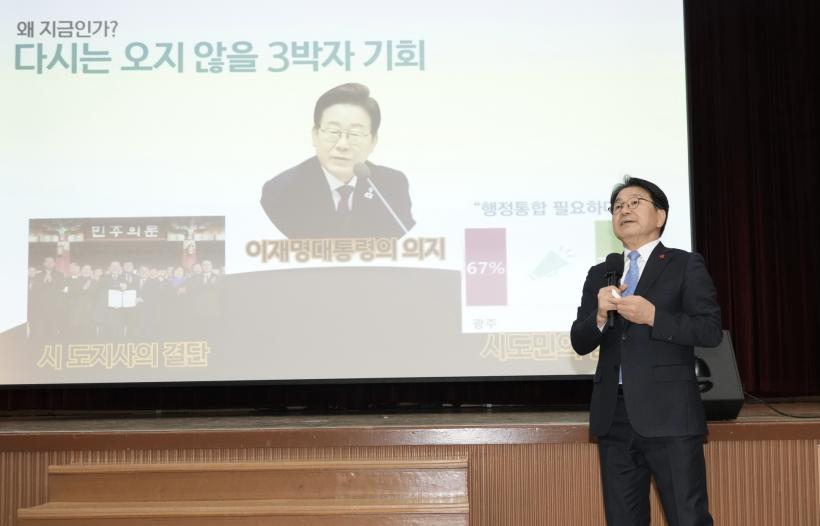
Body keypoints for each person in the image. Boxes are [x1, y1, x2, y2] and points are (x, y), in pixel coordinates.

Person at [570, 176, 722, 526]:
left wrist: (654, 317)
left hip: (670, 415)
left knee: (688, 518)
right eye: (617, 206)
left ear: (661, 216)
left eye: (635, 202)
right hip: (614, 416)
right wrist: (599, 315)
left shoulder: (684, 264)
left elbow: (710, 330)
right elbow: (580, 341)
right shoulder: (602, 273)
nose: (624, 210)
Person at [260, 83, 415, 239]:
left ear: (373, 142)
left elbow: (406, 241)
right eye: (333, 132)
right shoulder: (281, 192)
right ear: (315, 135)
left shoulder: (392, 185)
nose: (343, 145)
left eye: (355, 134)